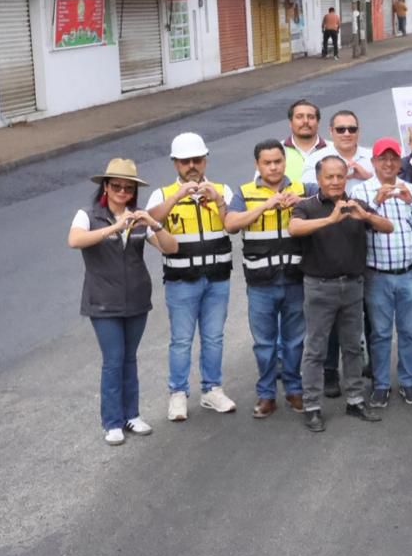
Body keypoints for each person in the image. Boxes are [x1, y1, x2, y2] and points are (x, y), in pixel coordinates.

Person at [69, 159, 176, 445]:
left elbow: (171, 248)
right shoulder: (88, 215)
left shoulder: (138, 218)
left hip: (137, 298)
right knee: (113, 360)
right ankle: (112, 421)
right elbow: (75, 240)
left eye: (128, 188)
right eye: (116, 186)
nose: (122, 192)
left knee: (130, 358)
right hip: (103, 301)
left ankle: (132, 415)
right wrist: (114, 227)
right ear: (105, 186)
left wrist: (154, 224)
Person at [288, 156, 390, 432]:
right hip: (319, 286)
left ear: (346, 178)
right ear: (319, 179)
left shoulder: (356, 204)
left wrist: (366, 216)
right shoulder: (306, 206)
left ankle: (355, 400)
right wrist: (330, 219)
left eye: (340, 176)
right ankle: (311, 406)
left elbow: (387, 226)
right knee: (315, 349)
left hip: (353, 286)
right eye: (329, 177)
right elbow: (294, 228)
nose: (335, 182)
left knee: (353, 346)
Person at [146, 132, 237, 422]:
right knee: (181, 340)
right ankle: (178, 393)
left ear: (205, 160)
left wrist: (217, 200)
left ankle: (212, 389)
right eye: (185, 162)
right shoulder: (162, 194)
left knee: (214, 337)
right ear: (175, 163)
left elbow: (233, 225)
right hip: (181, 280)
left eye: (197, 160)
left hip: (217, 277)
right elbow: (149, 223)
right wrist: (177, 196)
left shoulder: (222, 189)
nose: (192, 166)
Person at [224, 140, 308, 419]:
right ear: (257, 165)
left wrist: (302, 202)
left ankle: (294, 390)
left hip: (295, 278)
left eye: (278, 161)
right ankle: (266, 394)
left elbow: (328, 203)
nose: (273, 167)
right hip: (261, 283)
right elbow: (231, 224)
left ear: (285, 162)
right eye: (267, 162)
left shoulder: (302, 188)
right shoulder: (245, 192)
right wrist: (265, 206)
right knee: (264, 343)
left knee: (295, 340)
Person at [354, 138, 412, 407]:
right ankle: (381, 384)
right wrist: (375, 204)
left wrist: (410, 202)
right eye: (382, 158)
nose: (388, 164)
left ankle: (408, 382)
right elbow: (356, 231)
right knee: (380, 333)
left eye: (393, 158)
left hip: (409, 273)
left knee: (409, 331)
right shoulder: (361, 192)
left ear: (400, 162)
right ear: (373, 162)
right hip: (376, 274)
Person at [301, 110, 372, 193]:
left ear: (358, 131)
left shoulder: (373, 157)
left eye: (352, 129)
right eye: (340, 130)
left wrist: (369, 177)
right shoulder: (315, 159)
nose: (347, 134)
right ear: (331, 131)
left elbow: (385, 189)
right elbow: (307, 192)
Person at [283, 99, 326, 185]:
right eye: (299, 117)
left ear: (318, 122)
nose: (306, 121)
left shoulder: (333, 149)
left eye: (311, 117)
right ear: (290, 123)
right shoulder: (277, 150)